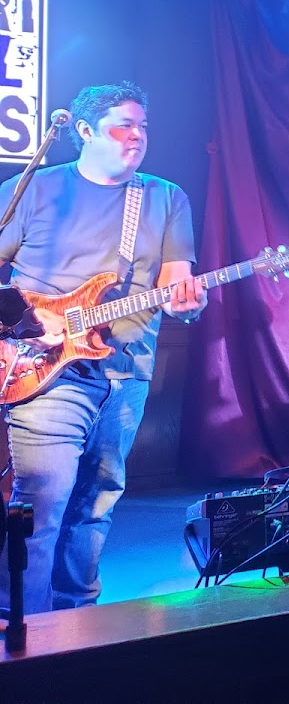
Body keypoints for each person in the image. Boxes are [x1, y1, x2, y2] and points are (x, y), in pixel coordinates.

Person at [0, 81, 206, 616]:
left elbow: (177, 286)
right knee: (44, 501)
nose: (137, 135)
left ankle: (77, 623)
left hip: (126, 370)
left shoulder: (165, 198)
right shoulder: (33, 189)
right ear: (85, 131)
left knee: (96, 505)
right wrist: (24, 324)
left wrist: (188, 305)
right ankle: (21, 625)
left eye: (143, 126)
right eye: (123, 126)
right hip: (45, 367)